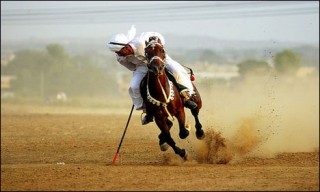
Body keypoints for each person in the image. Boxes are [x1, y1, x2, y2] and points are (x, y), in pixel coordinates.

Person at [107, 25, 197, 125]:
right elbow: (132, 68)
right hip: (142, 67)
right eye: (116, 52)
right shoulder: (120, 58)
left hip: (159, 60)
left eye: (120, 51)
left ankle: (187, 97)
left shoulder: (141, 42)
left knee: (177, 70)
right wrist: (146, 70)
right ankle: (147, 111)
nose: (119, 54)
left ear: (127, 46)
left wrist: (159, 48)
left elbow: (157, 35)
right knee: (133, 87)